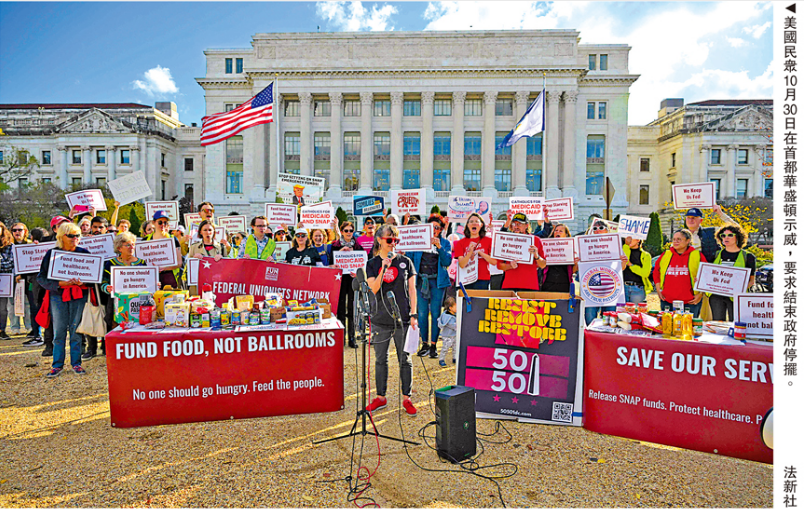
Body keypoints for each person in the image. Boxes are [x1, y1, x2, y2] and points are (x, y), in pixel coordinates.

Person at [365, 224, 418, 416]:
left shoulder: (406, 261)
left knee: (405, 359)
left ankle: (407, 398)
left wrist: (414, 314)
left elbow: (412, 290)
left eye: (396, 240)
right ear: (379, 240)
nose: (393, 243)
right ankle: (381, 397)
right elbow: (374, 288)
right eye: (390, 239)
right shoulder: (371, 263)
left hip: (403, 318)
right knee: (381, 359)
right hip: (380, 318)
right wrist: (384, 267)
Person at [37, 222, 91, 377]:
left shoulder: (84, 253)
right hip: (58, 296)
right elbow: (41, 277)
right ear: (61, 237)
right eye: (71, 235)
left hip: (79, 295)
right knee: (59, 331)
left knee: (76, 331)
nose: (75, 238)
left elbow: (94, 276)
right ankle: (57, 365)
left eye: (77, 235)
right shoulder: (52, 254)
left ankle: (76, 363)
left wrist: (85, 282)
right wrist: (60, 284)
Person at [408, 214, 452, 359]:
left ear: (440, 230)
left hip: (437, 283)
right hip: (421, 281)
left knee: (435, 314)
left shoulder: (445, 243)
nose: (433, 230)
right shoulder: (419, 241)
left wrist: (439, 247)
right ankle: (424, 344)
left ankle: (433, 345)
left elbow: (447, 262)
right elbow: (409, 257)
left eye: (437, 227)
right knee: (421, 313)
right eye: (431, 227)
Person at [97, 232, 148, 353]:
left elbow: (147, 281)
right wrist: (107, 288)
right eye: (128, 245)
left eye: (133, 245)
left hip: (137, 302)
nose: (132, 247)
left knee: (138, 326)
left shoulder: (141, 263)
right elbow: (102, 283)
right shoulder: (110, 264)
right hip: (116, 302)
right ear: (119, 248)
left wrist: (154, 285)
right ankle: (116, 352)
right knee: (116, 327)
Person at [653, 229, 705, 317]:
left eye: (679, 239)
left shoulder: (697, 255)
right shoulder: (666, 254)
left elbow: (705, 275)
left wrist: (700, 294)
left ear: (688, 241)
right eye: (674, 239)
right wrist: (658, 289)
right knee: (668, 328)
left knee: (688, 329)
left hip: (690, 302)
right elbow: (656, 272)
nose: (675, 242)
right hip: (667, 301)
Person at [709, 224, 757, 321]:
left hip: (737, 297)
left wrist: (738, 290)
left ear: (737, 237)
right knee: (718, 324)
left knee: (736, 324)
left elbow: (751, 281)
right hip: (716, 296)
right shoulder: (715, 254)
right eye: (723, 235)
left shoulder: (748, 257)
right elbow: (709, 274)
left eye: (730, 235)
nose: (726, 238)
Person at [331, 221, 364, 348]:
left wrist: (357, 273)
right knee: (340, 309)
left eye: (351, 230)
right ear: (342, 231)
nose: (349, 233)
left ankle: (351, 337)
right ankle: (341, 338)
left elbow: (362, 263)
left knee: (352, 309)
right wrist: (340, 251)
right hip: (339, 280)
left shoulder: (358, 246)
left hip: (352, 280)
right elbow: (331, 263)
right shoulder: (335, 245)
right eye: (346, 231)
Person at [496, 213, 547, 292]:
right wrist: (510, 266)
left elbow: (543, 265)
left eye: (519, 224)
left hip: (530, 286)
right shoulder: (506, 240)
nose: (516, 226)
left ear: (526, 226)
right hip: (509, 285)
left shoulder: (536, 240)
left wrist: (536, 256)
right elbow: (499, 265)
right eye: (514, 224)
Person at [583, 220, 618, 325]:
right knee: (589, 319)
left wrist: (623, 262)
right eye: (594, 228)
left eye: (601, 228)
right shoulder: (585, 246)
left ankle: (606, 340)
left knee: (609, 320)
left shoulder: (615, 245)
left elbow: (622, 268)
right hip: (591, 287)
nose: (598, 230)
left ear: (608, 230)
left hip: (610, 288)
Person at [453, 213, 497, 290]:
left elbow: (494, 262)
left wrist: (480, 253)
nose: (474, 223)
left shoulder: (488, 241)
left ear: (481, 225)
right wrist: (470, 252)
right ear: (467, 225)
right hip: (466, 279)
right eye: (471, 221)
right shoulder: (460, 243)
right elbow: (462, 264)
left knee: (480, 302)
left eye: (477, 221)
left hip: (483, 279)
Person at [9, 222, 36, 341]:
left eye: (20, 230)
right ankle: (15, 327)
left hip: (27, 278)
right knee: (13, 303)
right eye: (14, 230)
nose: (17, 232)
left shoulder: (31, 245)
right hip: (11, 278)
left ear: (25, 231)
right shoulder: (8, 245)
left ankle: (29, 327)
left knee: (28, 304)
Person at [146, 211, 183, 289]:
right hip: (151, 277)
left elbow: (179, 263)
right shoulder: (145, 240)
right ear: (153, 223)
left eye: (165, 222)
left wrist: (164, 268)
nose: (163, 225)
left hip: (169, 277)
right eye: (160, 222)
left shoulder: (173, 239)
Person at [540, 223, 577, 294]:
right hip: (548, 283)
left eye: (561, 231)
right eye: (556, 230)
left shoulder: (571, 248)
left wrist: (576, 263)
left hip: (564, 284)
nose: (557, 232)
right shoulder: (546, 246)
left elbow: (573, 271)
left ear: (566, 235)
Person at [621, 236, 653, 305]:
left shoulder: (646, 255)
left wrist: (631, 265)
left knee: (636, 313)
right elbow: (624, 259)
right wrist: (626, 245)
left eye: (631, 238)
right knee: (621, 313)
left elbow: (645, 273)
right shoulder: (623, 251)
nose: (628, 240)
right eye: (627, 238)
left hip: (637, 289)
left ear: (638, 240)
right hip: (622, 288)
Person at [0, 223, 15, 340]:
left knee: (2, 307)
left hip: (3, 279)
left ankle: (2, 330)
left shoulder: (10, 246)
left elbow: (10, 263)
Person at [437, 296, 458, 367]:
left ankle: (455, 358)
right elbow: (454, 326)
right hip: (448, 336)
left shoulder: (454, 314)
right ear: (450, 308)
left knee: (455, 347)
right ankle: (441, 359)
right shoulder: (448, 317)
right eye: (456, 306)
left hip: (454, 335)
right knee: (445, 348)